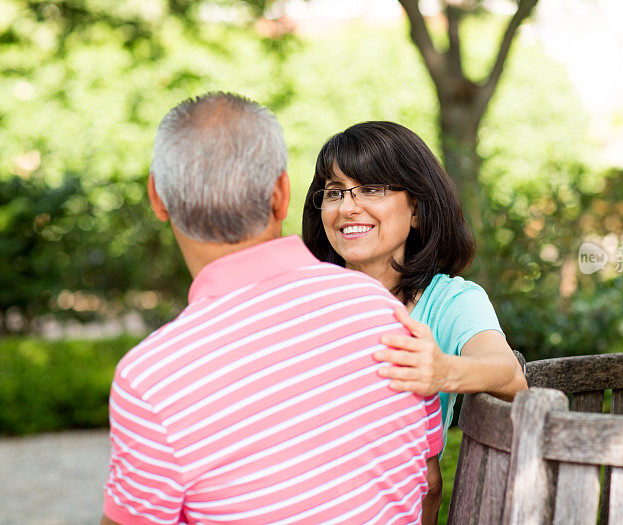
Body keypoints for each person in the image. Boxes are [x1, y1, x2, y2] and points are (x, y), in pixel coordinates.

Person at [101, 94, 443, 525]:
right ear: (283, 193)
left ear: (157, 197)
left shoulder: (151, 377)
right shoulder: (384, 312)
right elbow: (428, 483)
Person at [301, 121, 529, 508]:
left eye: (371, 189)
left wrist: (442, 370)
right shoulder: (304, 298)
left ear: (418, 211)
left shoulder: (451, 300)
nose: (347, 207)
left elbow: (510, 376)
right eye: (335, 193)